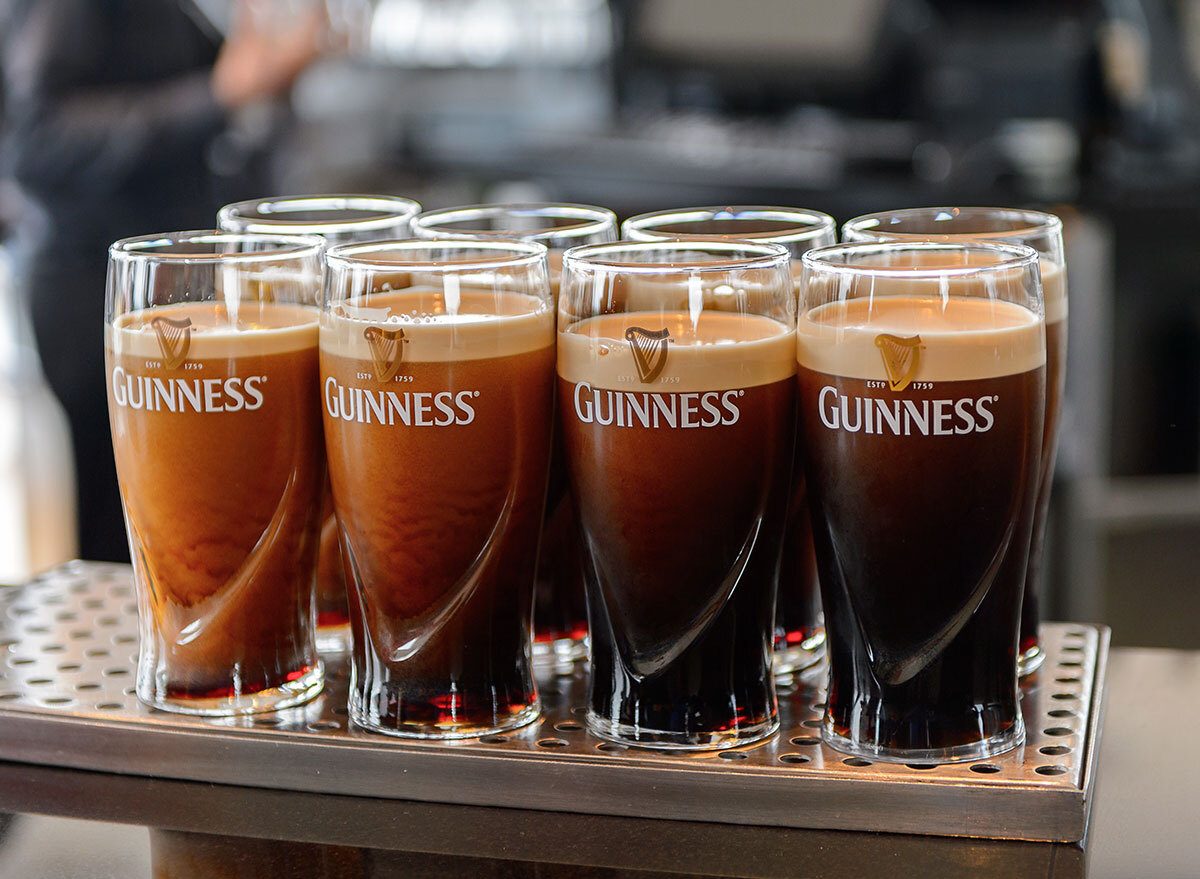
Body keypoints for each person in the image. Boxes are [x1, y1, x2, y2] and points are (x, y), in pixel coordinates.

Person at [0, 0, 326, 562]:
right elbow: (36, 141)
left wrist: (265, 80)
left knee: (196, 524)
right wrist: (218, 95)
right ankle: (132, 645)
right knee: (126, 531)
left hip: (175, 296)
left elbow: (220, 108)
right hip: (95, 293)